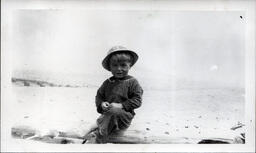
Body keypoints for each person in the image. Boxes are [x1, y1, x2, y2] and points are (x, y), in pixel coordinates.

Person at [83, 46, 143, 144]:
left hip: (123, 116)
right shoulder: (108, 82)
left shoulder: (133, 82)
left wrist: (121, 105)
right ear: (110, 67)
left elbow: (137, 100)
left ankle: (99, 134)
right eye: (115, 65)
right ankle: (97, 129)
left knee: (114, 112)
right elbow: (99, 95)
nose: (119, 69)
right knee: (108, 114)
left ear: (130, 65)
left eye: (123, 65)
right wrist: (102, 103)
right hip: (107, 116)